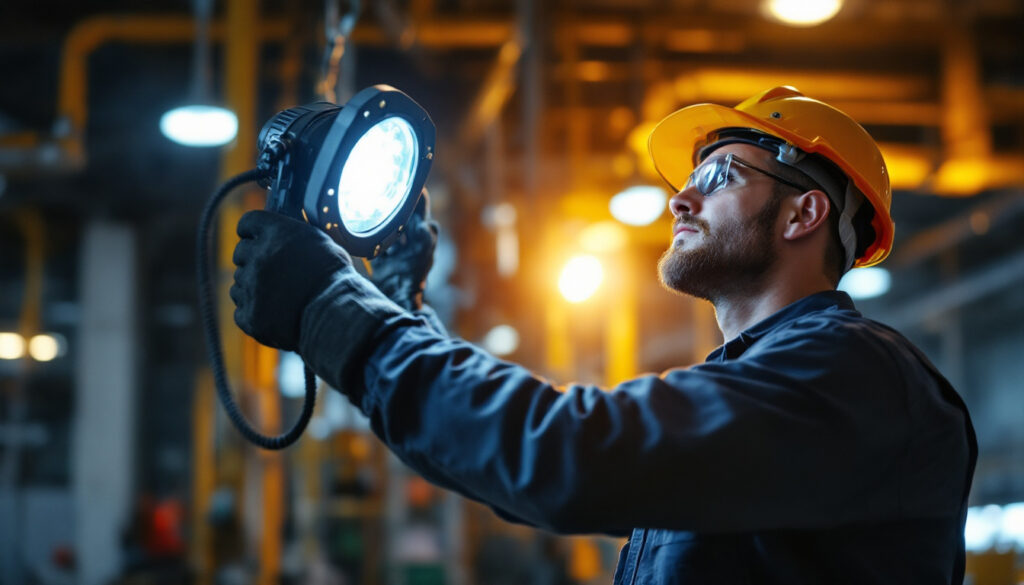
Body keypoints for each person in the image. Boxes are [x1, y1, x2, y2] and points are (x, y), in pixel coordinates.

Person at [229, 86, 977, 584]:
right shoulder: (762, 393)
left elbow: (562, 458)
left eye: (719, 177)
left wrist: (342, 317)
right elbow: (531, 470)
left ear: (803, 215)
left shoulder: (851, 376)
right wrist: (400, 312)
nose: (680, 197)